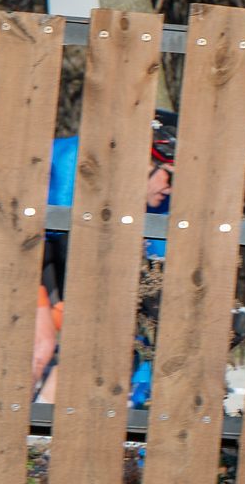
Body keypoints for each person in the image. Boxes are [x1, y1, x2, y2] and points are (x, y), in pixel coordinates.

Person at [33, 109, 176, 403]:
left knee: (93, 347)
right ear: (146, 162)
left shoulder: (158, 197)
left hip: (60, 261)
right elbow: (61, 236)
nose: (171, 188)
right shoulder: (76, 161)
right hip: (32, 250)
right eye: (169, 176)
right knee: (44, 346)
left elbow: (159, 262)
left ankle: (40, 421)